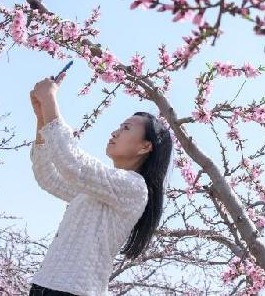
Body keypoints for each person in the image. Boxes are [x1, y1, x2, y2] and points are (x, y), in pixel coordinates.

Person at [27, 71, 173, 295]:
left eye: (126, 128)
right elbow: (47, 176)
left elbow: (73, 163)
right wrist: (41, 118)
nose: (115, 132)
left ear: (145, 146)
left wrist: (50, 100)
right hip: (46, 286)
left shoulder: (134, 188)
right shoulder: (99, 190)